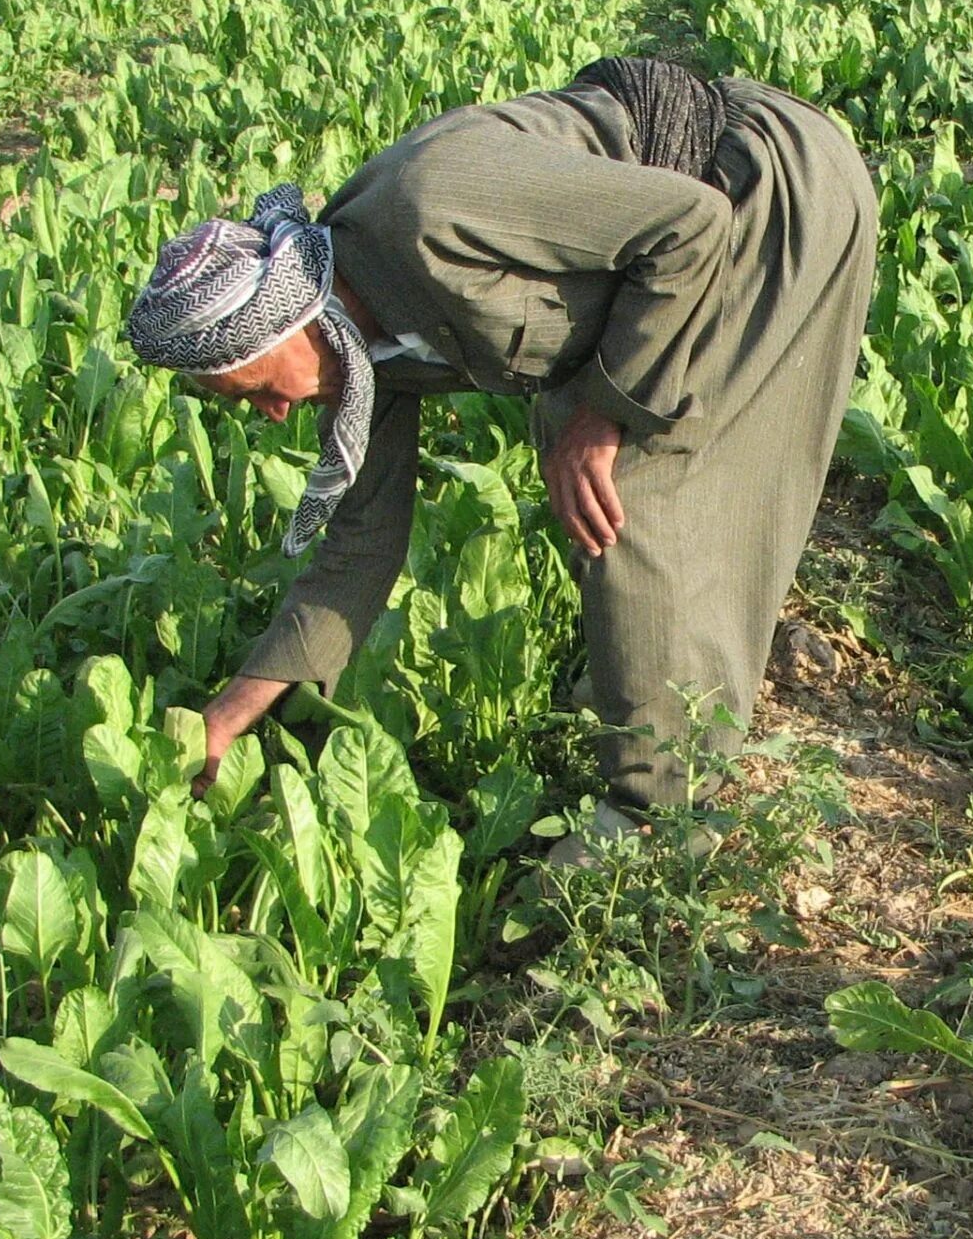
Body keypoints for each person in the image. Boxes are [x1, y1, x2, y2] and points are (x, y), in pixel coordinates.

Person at [123, 57, 878, 860]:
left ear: (291, 325)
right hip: (668, 256)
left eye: (255, 391)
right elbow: (358, 544)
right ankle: (648, 686)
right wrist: (230, 715)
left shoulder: (427, 210)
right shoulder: (354, 341)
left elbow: (689, 223)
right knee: (583, 460)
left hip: (769, 191)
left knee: (633, 488)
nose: (272, 414)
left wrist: (605, 412)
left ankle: (662, 815)